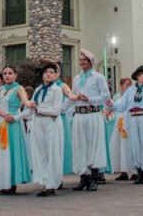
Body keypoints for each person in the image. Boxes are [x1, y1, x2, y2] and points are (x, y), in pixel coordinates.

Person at [107, 65, 143, 185]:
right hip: (133, 118)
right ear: (138, 76)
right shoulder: (130, 91)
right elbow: (122, 105)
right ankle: (139, 171)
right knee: (135, 144)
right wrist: (111, 104)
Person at [67, 49, 111, 192]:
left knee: (94, 144)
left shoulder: (98, 77)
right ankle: (83, 177)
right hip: (79, 115)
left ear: (91, 61)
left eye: (84, 60)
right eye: (80, 60)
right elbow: (72, 98)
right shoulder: (76, 79)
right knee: (80, 145)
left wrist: (90, 99)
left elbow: (105, 95)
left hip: (92, 114)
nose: (82, 62)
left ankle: (94, 177)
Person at [0, 65, 32, 195]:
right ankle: (2, 182)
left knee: (11, 152)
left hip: (13, 123)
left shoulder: (19, 88)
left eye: (10, 73)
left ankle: (12, 183)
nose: (7, 75)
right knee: (1, 153)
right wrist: (4, 114)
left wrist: (30, 105)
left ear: (15, 75)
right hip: (2, 121)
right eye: (5, 73)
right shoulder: (0, 89)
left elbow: (25, 102)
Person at [28, 61, 66, 196]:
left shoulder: (57, 90)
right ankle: (45, 183)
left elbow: (55, 110)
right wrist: (15, 117)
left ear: (55, 75)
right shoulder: (38, 90)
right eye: (46, 72)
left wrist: (38, 108)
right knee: (41, 153)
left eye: (51, 72)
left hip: (51, 123)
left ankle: (51, 184)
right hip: (38, 123)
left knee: (52, 153)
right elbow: (30, 108)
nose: (49, 74)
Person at [109, 77, 133, 181]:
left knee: (129, 147)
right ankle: (123, 171)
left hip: (128, 123)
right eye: (126, 85)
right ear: (121, 86)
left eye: (129, 85)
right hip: (118, 124)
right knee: (119, 147)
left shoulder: (132, 96)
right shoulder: (117, 97)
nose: (128, 87)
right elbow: (112, 107)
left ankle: (134, 171)